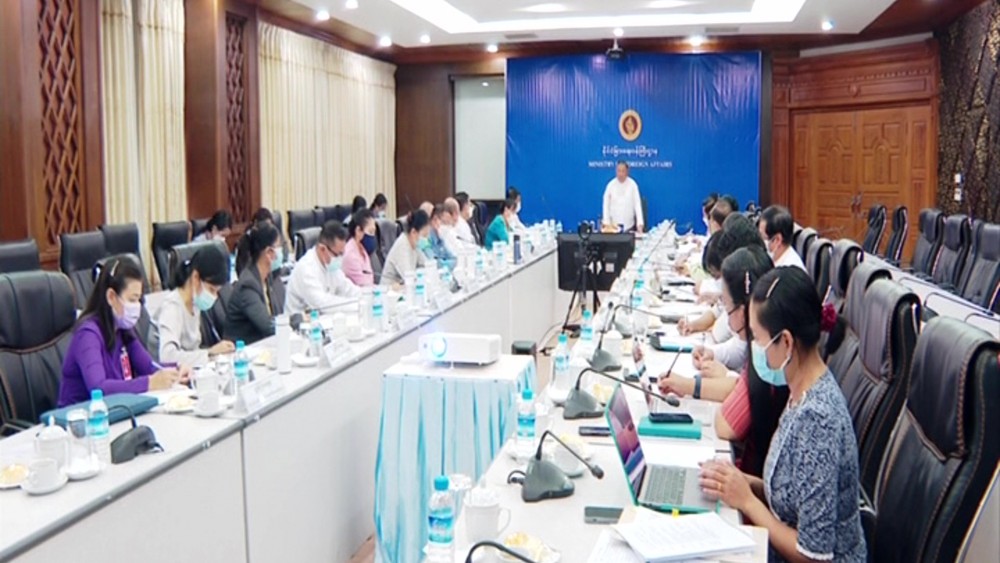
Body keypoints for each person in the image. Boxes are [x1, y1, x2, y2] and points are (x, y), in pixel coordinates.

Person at [699, 267, 866, 561]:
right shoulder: (801, 391)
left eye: (758, 339)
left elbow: (813, 555)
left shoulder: (818, 420)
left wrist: (748, 502)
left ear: (786, 342)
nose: (755, 348)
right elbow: (793, 495)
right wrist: (740, 482)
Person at [59, 257, 186, 406]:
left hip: (116, 411)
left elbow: (149, 367)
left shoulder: (122, 329)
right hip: (82, 416)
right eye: (132, 300)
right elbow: (99, 388)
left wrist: (177, 369)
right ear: (111, 297)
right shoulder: (87, 334)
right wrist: (149, 383)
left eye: (139, 300)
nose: (137, 307)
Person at [153, 245, 235, 366]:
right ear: (196, 277)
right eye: (211, 290)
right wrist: (209, 352)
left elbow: (192, 350)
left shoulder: (195, 304)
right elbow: (167, 357)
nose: (215, 297)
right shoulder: (172, 307)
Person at [226, 222, 286, 344]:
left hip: (263, 346)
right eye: (279, 246)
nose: (282, 252)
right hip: (242, 350)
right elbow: (268, 326)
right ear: (269, 252)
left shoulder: (267, 277)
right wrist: (296, 320)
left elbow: (276, 317)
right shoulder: (247, 285)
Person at [285, 220, 361, 315]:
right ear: (322, 249)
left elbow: (347, 288)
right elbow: (323, 304)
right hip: (300, 322)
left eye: (342, 254)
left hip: (323, 319)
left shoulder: (331, 266)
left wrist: (367, 297)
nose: (340, 258)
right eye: (338, 254)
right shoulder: (306, 268)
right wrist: (357, 305)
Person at [381, 209, 429, 286]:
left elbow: (427, 265)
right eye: (424, 235)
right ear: (413, 232)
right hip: (390, 290)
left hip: (404, 289)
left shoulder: (415, 244)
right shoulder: (402, 246)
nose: (426, 239)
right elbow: (410, 279)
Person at [759, 205, 806, 271]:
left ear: (777, 240)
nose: (760, 239)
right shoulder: (773, 255)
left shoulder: (789, 270)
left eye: (762, 236)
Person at [602, 161, 644, 233]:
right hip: (613, 228)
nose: (620, 174)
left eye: (623, 171)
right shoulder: (610, 185)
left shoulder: (633, 185)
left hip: (629, 227)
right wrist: (606, 223)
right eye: (618, 171)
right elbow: (606, 205)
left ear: (627, 172)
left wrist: (640, 223)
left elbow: (637, 204)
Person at [343, 208, 377, 287]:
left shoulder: (362, 249)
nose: (373, 236)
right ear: (358, 230)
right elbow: (365, 286)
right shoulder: (350, 255)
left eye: (374, 232)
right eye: (370, 232)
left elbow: (370, 282)